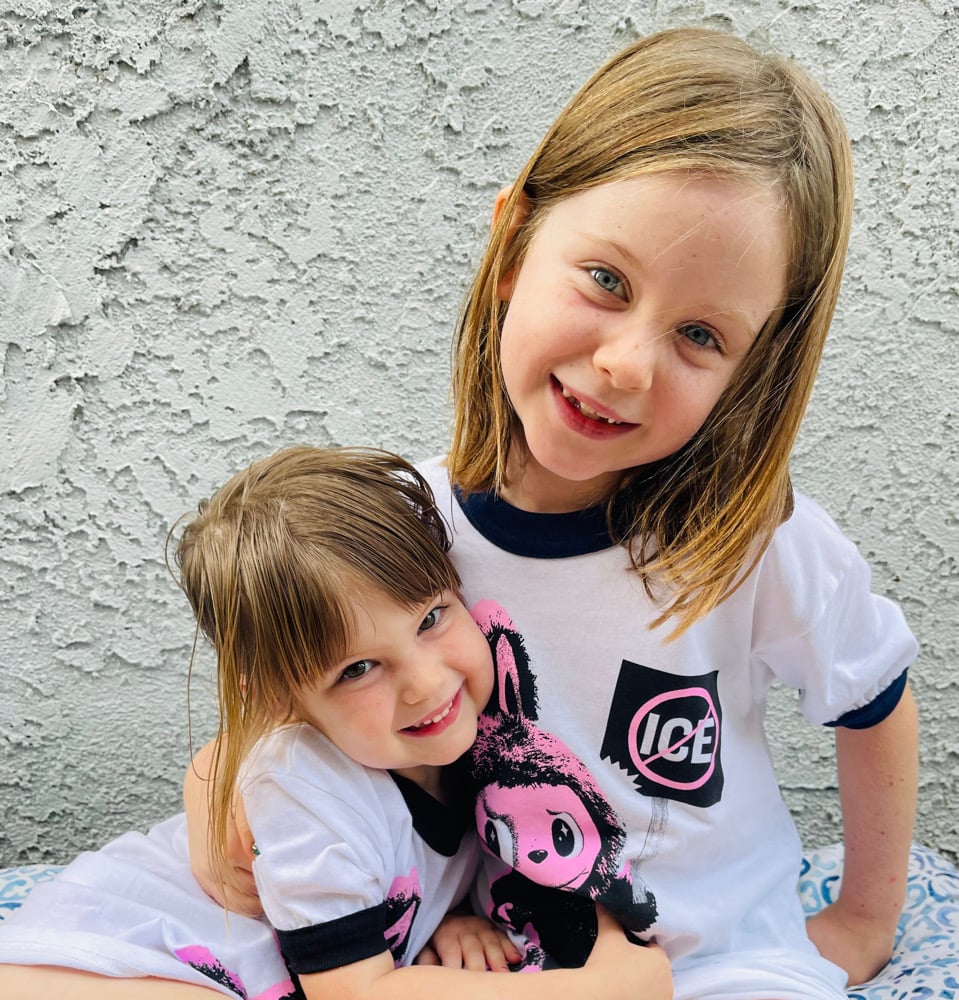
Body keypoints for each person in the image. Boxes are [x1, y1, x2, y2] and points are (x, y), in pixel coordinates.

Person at [182, 25, 920, 1000]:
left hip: (726, 962)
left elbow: (871, 695)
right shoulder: (409, 530)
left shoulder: (749, 546)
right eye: (606, 281)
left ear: (751, 372)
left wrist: (864, 919)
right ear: (512, 247)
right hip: (502, 966)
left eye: (700, 334)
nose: (625, 363)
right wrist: (214, 781)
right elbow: (304, 688)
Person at [0, 446, 672, 1000]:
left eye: (431, 617)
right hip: (109, 957)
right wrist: (593, 990)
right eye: (357, 669)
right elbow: (355, 992)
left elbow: (393, 890)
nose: (425, 682)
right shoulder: (305, 780)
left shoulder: (470, 759)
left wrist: (449, 923)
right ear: (277, 699)